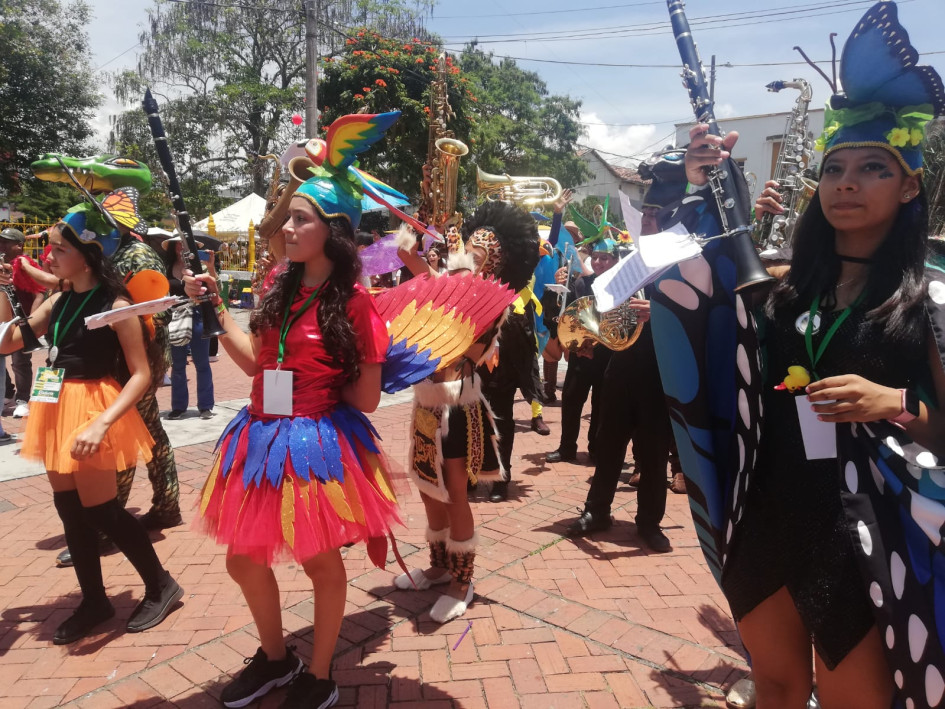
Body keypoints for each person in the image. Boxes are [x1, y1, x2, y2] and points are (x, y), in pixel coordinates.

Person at [654, 6, 945, 705]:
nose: (846, 182)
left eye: (873, 167)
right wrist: (696, 187)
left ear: (908, 185)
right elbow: (674, 283)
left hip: (868, 527)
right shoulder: (782, 290)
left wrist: (896, 404)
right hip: (767, 507)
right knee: (777, 688)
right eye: (835, 167)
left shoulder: (928, 300)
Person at [184, 113, 404, 709]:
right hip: (258, 436)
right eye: (289, 216)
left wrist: (349, 373)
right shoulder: (281, 284)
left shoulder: (358, 303)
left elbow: (365, 400)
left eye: (299, 218)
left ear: (333, 231)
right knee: (242, 560)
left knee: (319, 561)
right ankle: (277, 657)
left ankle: (320, 675)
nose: (286, 225)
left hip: (313, 443)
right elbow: (256, 366)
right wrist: (216, 313)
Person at [0, 211, 183, 644]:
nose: (50, 255)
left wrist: (102, 424)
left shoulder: (115, 304)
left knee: (102, 510)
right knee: (69, 509)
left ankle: (161, 584)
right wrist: (4, 290)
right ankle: (94, 600)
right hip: (55, 404)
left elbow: (140, 374)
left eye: (60, 248)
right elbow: (8, 341)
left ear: (86, 257)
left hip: (93, 409)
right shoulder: (60, 299)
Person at [395, 200, 540, 621]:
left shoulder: (492, 304)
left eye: (476, 256)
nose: (465, 258)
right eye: (466, 250)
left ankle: (463, 580)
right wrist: (411, 246)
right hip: (427, 402)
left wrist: (434, 278)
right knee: (427, 487)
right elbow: (423, 277)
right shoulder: (451, 287)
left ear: (492, 264)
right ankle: (440, 567)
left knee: (456, 493)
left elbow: (458, 339)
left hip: (457, 408)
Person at [565, 153, 687, 553]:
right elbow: (604, 304)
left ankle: (649, 523)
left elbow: (700, 314)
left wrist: (661, 312)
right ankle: (597, 510)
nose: (647, 219)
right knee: (609, 441)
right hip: (622, 366)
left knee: (652, 450)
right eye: (645, 212)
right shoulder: (631, 259)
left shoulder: (687, 261)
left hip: (660, 369)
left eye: (654, 213)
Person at [546, 238, 620, 464]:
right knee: (570, 400)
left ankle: (596, 448)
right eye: (595, 257)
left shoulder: (622, 285)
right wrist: (579, 346)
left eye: (604, 258)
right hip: (581, 352)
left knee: (601, 404)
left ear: (615, 260)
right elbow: (572, 317)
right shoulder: (581, 283)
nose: (598, 262)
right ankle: (566, 447)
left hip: (607, 354)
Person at [163, 236, 215, 420]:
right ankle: (178, 407)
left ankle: (205, 406)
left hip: (197, 314)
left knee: (201, 362)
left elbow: (213, 288)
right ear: (171, 247)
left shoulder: (197, 266)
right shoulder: (166, 268)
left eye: (184, 243)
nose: (180, 246)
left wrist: (210, 267)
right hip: (176, 317)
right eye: (176, 243)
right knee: (177, 364)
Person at [0, 227, 40, 419]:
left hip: (21, 318)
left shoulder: (27, 264)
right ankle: (8, 391)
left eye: (6, 242)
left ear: (19, 245)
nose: (2, 245)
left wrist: (32, 318)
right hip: (3, 320)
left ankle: (22, 399)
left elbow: (40, 292)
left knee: (20, 362)